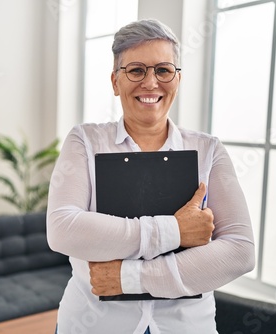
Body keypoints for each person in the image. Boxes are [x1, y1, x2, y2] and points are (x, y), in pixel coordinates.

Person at [46, 18, 255, 334]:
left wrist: (129, 278)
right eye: (136, 70)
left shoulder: (209, 150)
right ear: (115, 82)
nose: (150, 82)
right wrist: (175, 231)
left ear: (177, 79)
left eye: (163, 70)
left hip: (185, 326)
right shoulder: (84, 142)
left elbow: (240, 251)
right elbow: (63, 228)